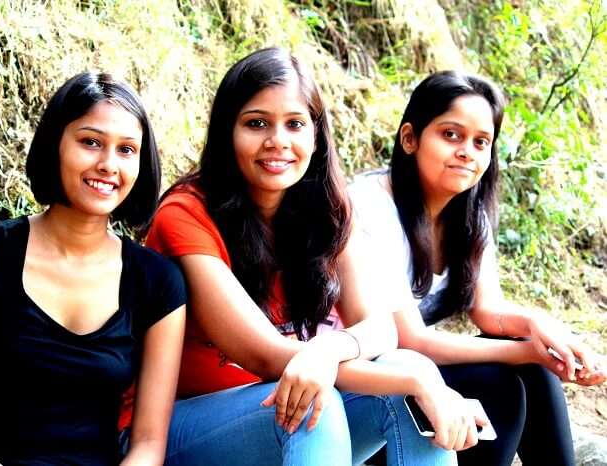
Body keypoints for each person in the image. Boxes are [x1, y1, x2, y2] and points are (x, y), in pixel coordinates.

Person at [119, 47, 483, 466]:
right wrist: (418, 379)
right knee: (319, 400)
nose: (278, 142)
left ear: (316, 134)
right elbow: (267, 356)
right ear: (227, 132)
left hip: (276, 409)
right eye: (257, 124)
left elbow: (379, 327)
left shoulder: (326, 208)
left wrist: (330, 353)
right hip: (176, 430)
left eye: (295, 124)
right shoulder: (185, 213)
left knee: (398, 388)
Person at [0, 72, 186, 466]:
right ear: (56, 143)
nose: (108, 164)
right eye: (91, 142)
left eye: (127, 150)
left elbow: (147, 444)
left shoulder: (158, 283)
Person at [349, 70, 606, 466]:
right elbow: (411, 340)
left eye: (481, 142)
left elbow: (489, 312)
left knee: (532, 375)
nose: (467, 151)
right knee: (498, 381)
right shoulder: (369, 205)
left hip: (414, 374)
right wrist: (531, 352)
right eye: (451, 135)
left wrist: (542, 330)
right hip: (364, 389)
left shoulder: (468, 215)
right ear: (410, 138)